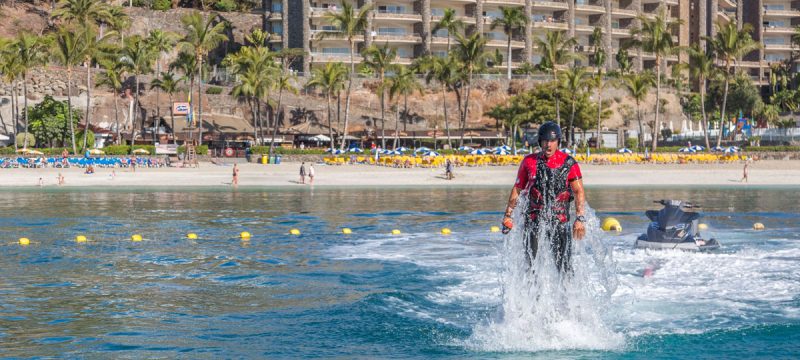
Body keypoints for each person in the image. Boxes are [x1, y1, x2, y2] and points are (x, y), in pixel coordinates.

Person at [502, 122, 586, 273]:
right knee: (531, 266)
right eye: (545, 141)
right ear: (540, 141)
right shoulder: (529, 162)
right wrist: (508, 215)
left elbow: (579, 192)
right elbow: (518, 188)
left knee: (564, 268)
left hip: (559, 222)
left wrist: (579, 218)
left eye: (552, 141)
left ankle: (567, 296)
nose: (549, 144)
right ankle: (532, 296)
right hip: (534, 220)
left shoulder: (569, 163)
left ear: (558, 141)